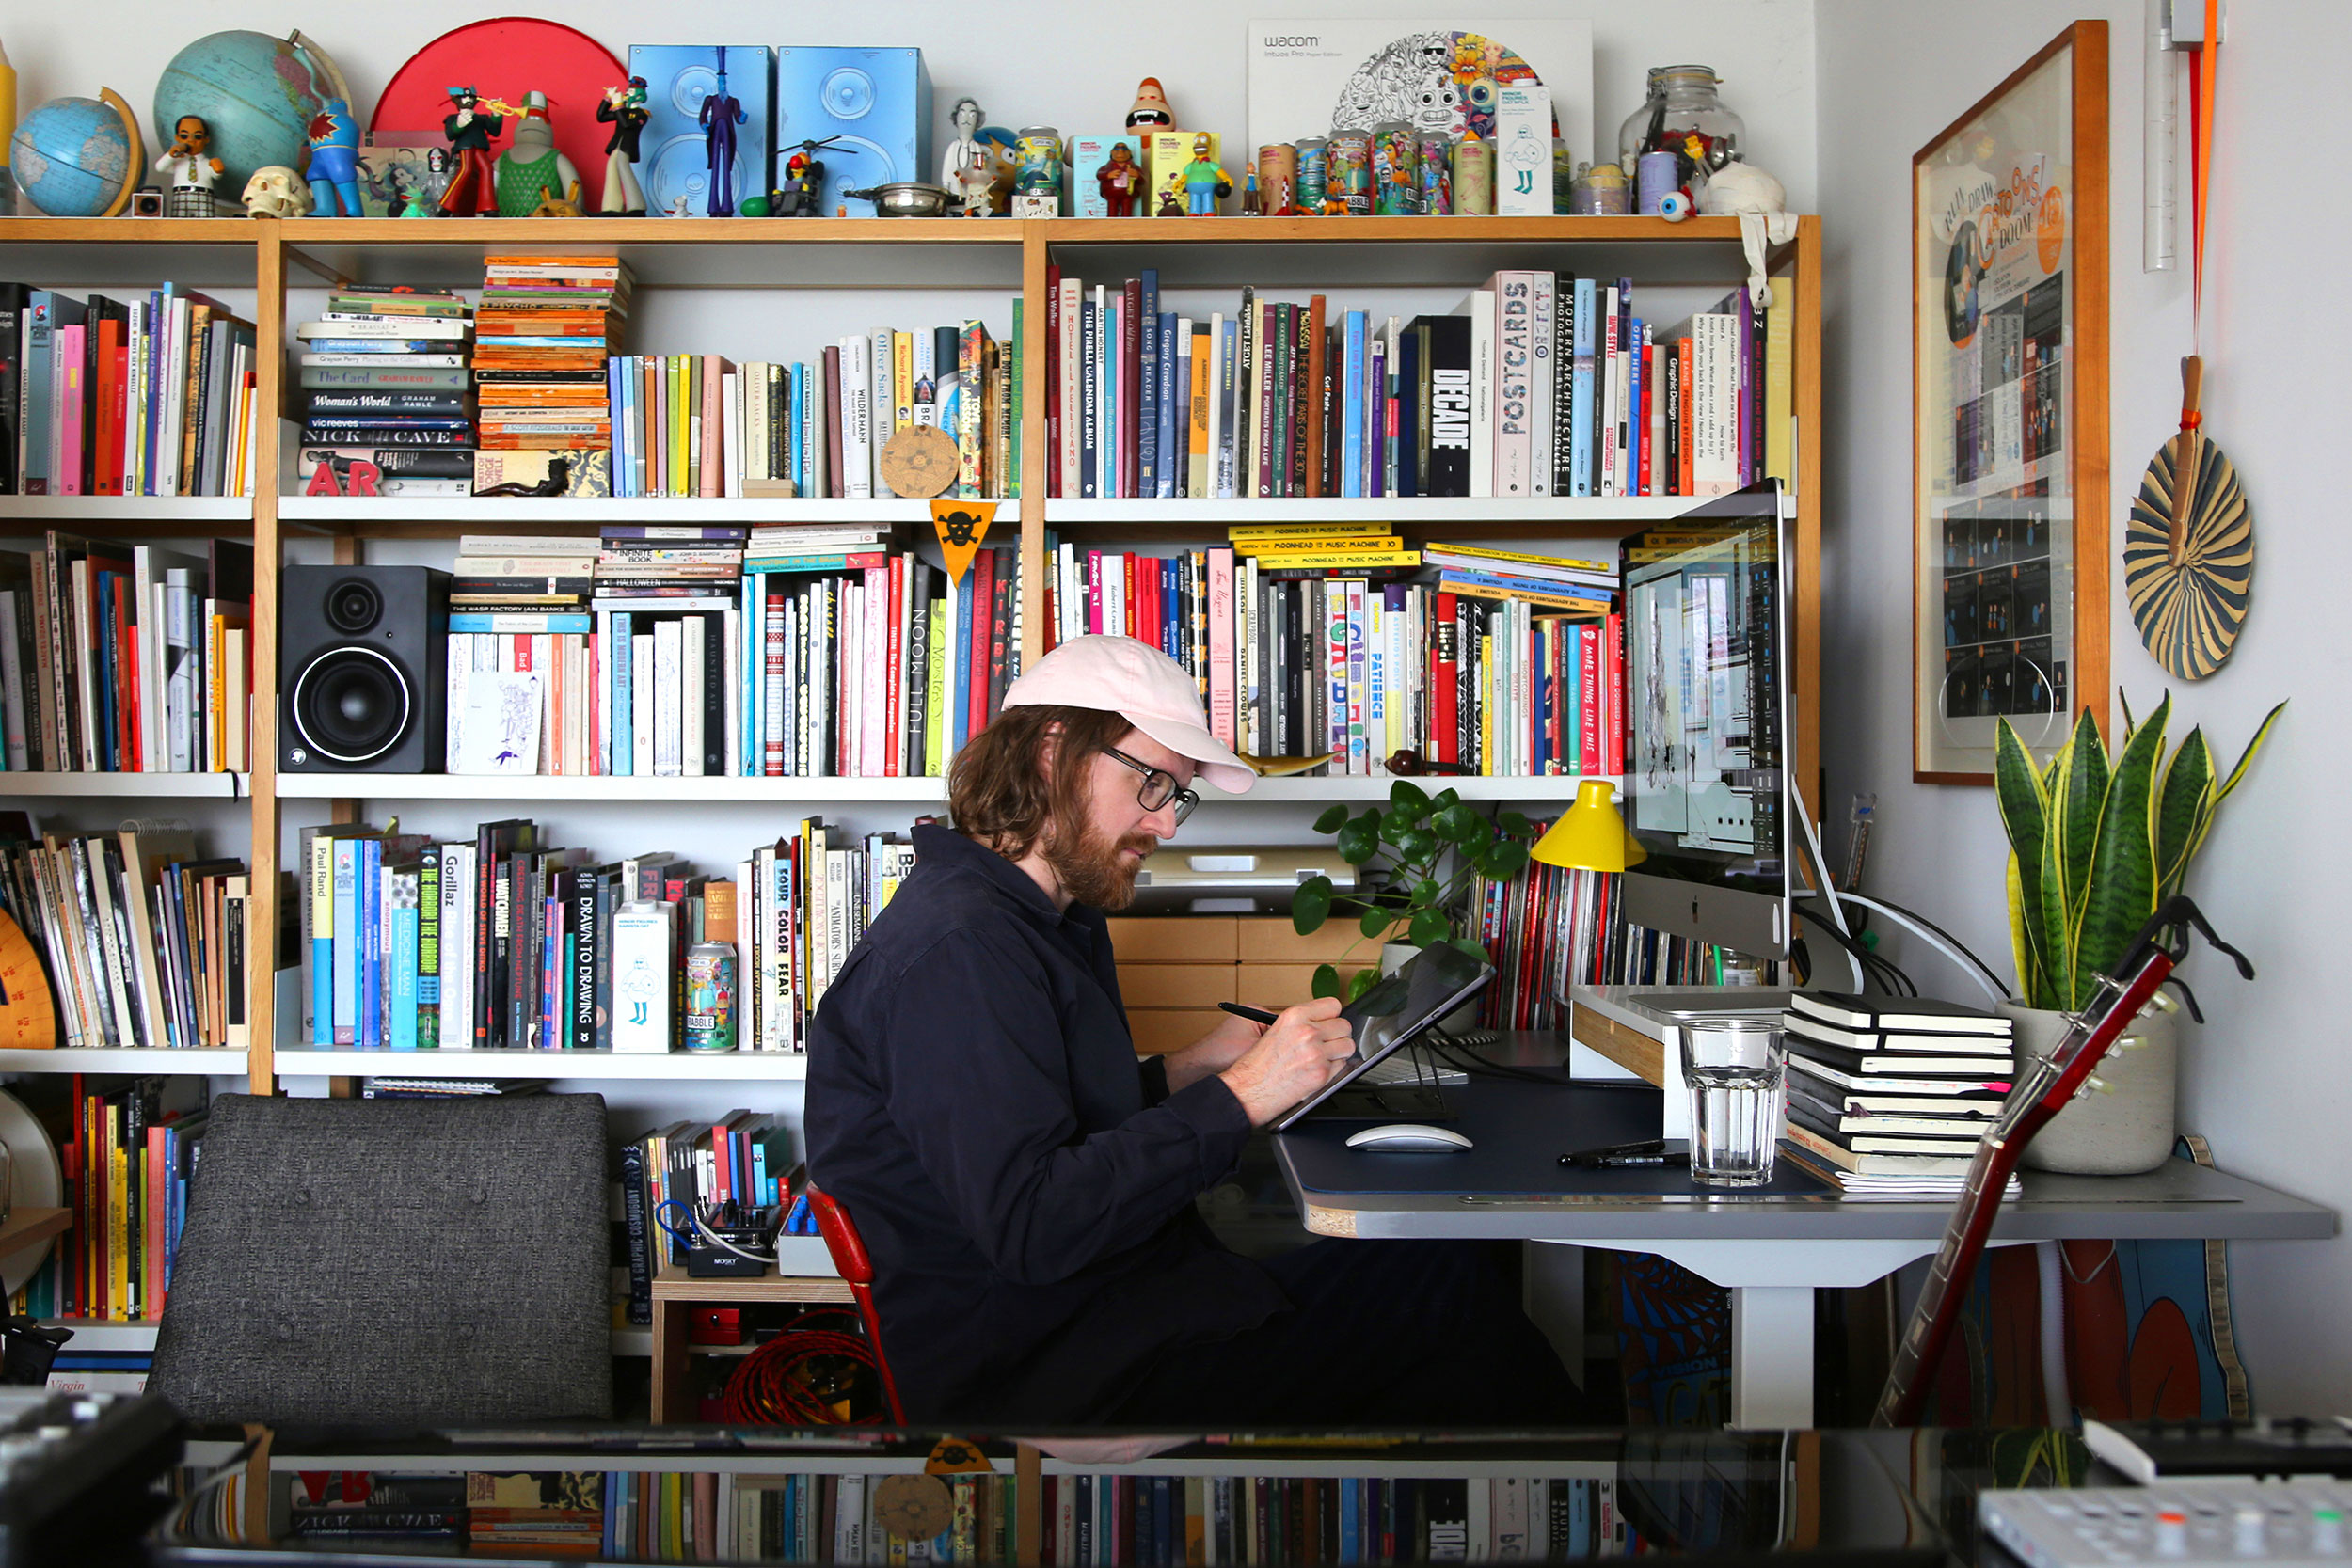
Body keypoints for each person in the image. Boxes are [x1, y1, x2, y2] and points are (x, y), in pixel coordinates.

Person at [804, 634, 1584, 1426]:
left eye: (1178, 796)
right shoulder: (961, 950)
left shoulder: (1040, 920)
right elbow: (1033, 1225)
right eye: (1152, 783)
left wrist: (1187, 1072)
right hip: (1054, 1364)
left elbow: (1037, 1119)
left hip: (1121, 1308)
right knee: (1443, 1284)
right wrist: (1245, 1093)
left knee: (1441, 1276)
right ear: (1050, 753)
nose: (1168, 824)